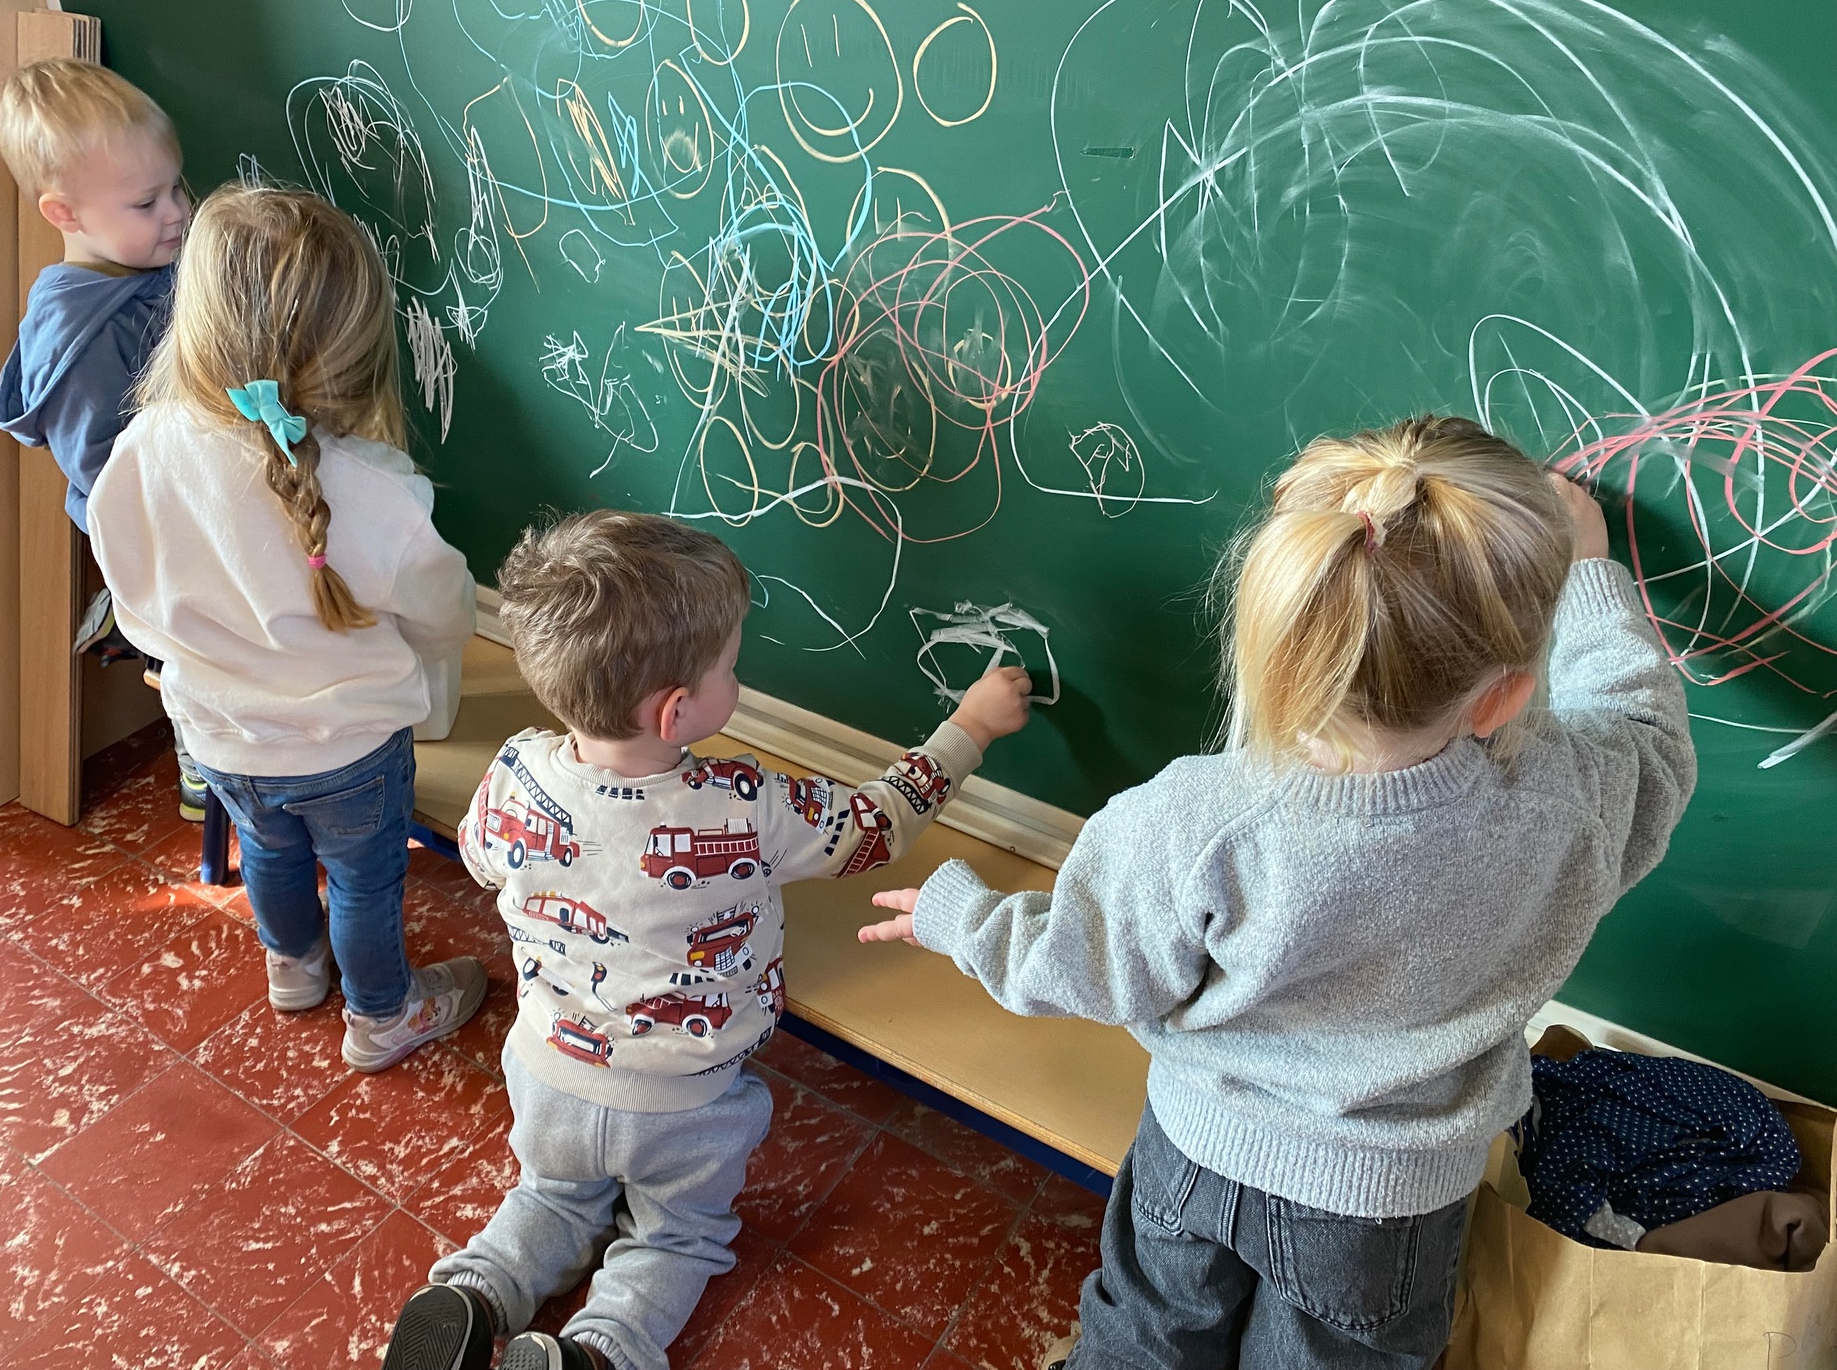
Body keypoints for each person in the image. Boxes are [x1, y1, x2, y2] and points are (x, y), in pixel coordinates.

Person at [861, 416, 1697, 1369]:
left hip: (1197, 1150)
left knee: (1145, 1340)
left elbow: (1088, 965)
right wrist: (1589, 570)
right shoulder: (1567, 799)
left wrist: (964, 920)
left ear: (1280, 633)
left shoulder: (1197, 817)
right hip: (1387, 1204)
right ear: (1503, 694)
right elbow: (1649, 737)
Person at [379, 509, 1033, 1370]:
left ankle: (473, 1292)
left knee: (552, 1195)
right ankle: (599, 1351)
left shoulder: (516, 772)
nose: (739, 676)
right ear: (678, 711)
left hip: (546, 1069)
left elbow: (478, 857)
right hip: (683, 1102)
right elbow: (875, 827)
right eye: (732, 666)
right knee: (676, 1237)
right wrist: (971, 728)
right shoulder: (747, 805)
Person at [88, 184, 482, 1071]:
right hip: (351, 749)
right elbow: (444, 614)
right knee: (365, 881)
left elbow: (130, 592)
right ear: (353, 347)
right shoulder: (375, 489)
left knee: (270, 853)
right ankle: (383, 1015)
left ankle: (294, 969)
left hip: (220, 734)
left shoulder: (144, 446)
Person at [0, 57, 208, 815]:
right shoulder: (82, 340)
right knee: (193, 654)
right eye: (146, 202)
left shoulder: (145, 260)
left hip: (200, 500)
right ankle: (202, 761)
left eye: (177, 188)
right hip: (156, 530)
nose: (177, 213)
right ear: (64, 214)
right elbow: (106, 471)